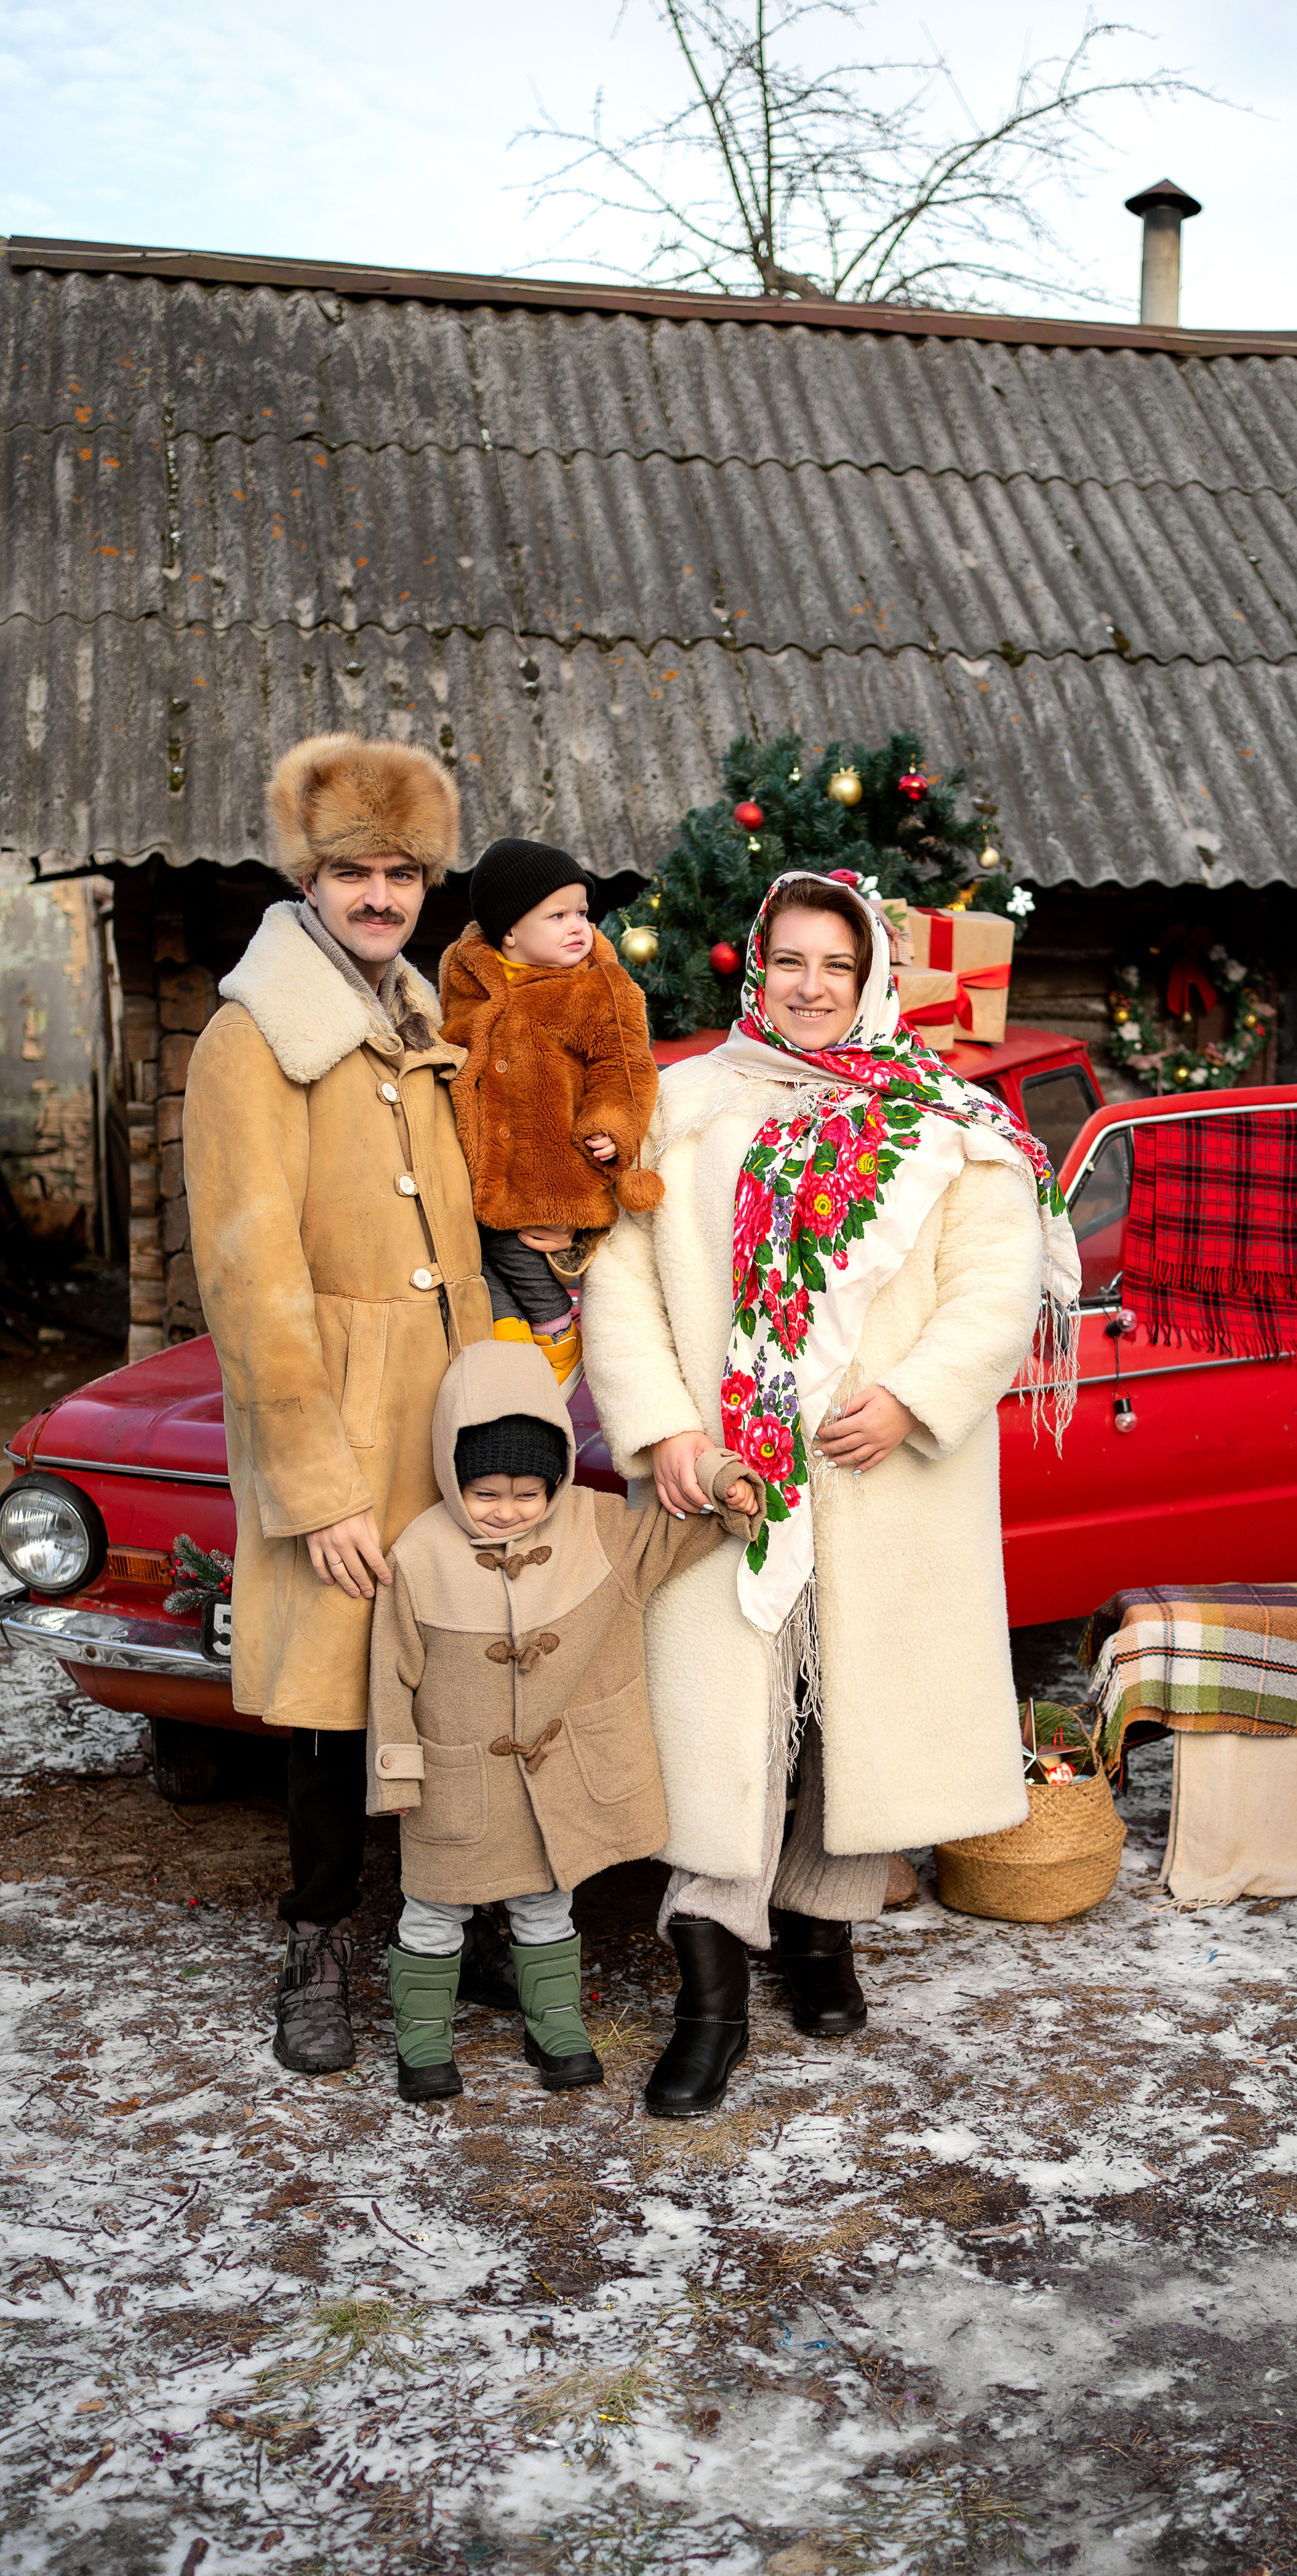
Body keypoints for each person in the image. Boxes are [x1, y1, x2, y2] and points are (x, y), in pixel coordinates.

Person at [581, 872, 1078, 2118]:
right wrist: (667, 1433)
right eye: (789, 961)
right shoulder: (686, 1110)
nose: (809, 987)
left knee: (846, 1727)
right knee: (723, 1740)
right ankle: (710, 2006)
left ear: (872, 984)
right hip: (727, 1493)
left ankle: (820, 1937)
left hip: (881, 1486)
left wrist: (913, 1396)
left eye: (835, 968)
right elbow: (624, 1283)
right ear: (758, 967)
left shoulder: (950, 1124)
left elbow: (996, 1284)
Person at [183, 732, 490, 2078]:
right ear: (309, 875)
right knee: (330, 1710)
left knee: (459, 1681)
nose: (380, 895)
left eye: (403, 872)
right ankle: (315, 1941)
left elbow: (469, 1246)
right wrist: (316, 1488)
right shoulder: (253, 1045)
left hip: (445, 1426)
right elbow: (253, 1285)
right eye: (355, 870)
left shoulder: (422, 1035)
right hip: (339, 1431)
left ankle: (459, 1920)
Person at [367, 1339, 760, 2102]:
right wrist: (398, 1774)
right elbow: (392, 1673)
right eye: (484, 1493)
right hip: (459, 1782)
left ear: (558, 1477)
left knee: (547, 1906)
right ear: (452, 1473)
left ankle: (556, 2027)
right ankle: (421, 2040)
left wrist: (725, 1480)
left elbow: (695, 1525)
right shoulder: (420, 1551)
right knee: (433, 1909)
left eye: (526, 1493)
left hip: (557, 1786)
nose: (507, 1511)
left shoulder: (598, 1528)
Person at [439, 838, 663, 1387]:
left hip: (553, 1161)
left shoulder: (595, 987)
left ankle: (556, 1328)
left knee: (515, 1248)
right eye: (558, 915)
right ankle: (511, 1331)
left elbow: (624, 1063)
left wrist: (612, 1126)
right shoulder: (466, 977)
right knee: (473, 1259)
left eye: (583, 913)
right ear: (509, 931)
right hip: (481, 1164)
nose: (578, 926)